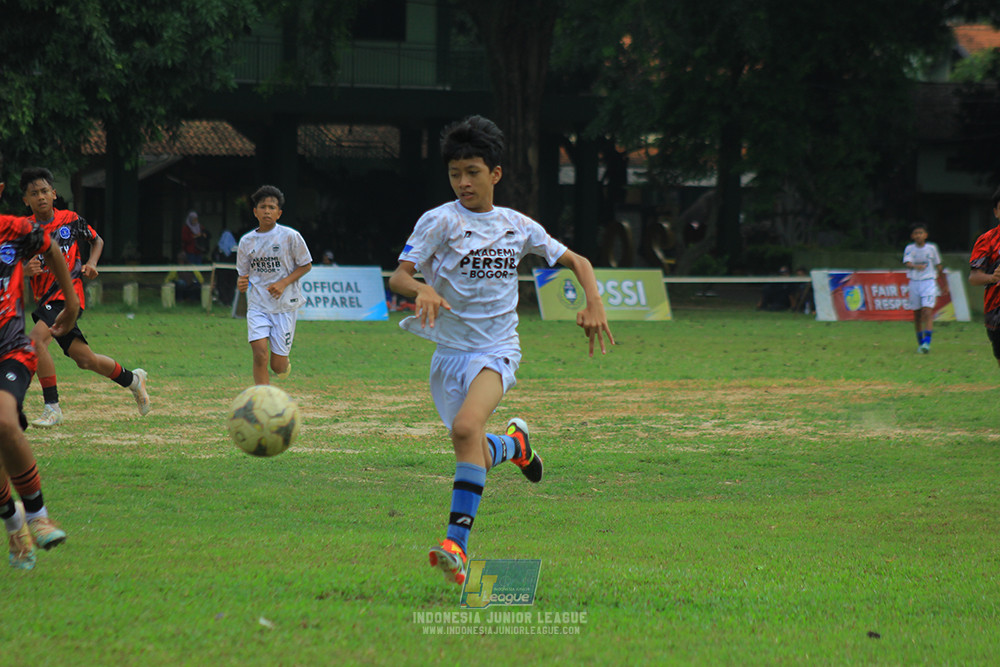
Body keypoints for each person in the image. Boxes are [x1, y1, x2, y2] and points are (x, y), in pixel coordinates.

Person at [388, 115, 614, 586]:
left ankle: (457, 545)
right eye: (455, 173)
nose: (463, 182)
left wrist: (594, 301)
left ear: (495, 173)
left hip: (497, 349)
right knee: (472, 445)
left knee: (466, 428)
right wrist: (420, 290)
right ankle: (515, 445)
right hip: (449, 352)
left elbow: (578, 260)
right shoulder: (439, 221)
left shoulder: (516, 225)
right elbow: (400, 275)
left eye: (472, 171)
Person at [19, 167, 151, 428]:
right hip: (44, 299)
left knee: (34, 342)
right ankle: (133, 380)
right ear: (26, 200)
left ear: (54, 194)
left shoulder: (71, 220)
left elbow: (97, 240)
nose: (41, 197)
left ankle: (52, 407)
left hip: (68, 297)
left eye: (45, 191)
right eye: (34, 193)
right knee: (85, 359)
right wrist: (24, 271)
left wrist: (91, 263)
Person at [0, 151, 80, 569]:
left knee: (3, 422)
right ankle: (15, 525)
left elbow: (52, 251)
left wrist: (69, 301)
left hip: (10, 347)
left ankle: (38, 517)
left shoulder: (13, 230)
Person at [236, 185, 313, 385]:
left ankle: (283, 365)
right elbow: (243, 274)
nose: (267, 211)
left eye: (271, 207)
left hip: (284, 306)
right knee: (259, 353)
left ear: (279, 213)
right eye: (263, 207)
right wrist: (241, 283)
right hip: (258, 305)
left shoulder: (290, 236)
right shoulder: (246, 241)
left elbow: (306, 265)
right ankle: (264, 402)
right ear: (255, 212)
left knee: (277, 366)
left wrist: (283, 283)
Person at [969, 186, 1000, 367]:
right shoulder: (987, 240)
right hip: (995, 310)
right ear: (996, 212)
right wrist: (992, 278)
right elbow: (974, 278)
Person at [903, 223, 945, 354]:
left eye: (921, 233)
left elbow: (938, 266)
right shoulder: (910, 248)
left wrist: (944, 283)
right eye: (916, 233)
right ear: (912, 236)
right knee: (917, 314)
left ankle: (927, 342)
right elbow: (907, 262)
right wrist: (916, 267)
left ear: (926, 235)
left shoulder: (932, 248)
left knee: (927, 311)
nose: (918, 235)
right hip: (915, 282)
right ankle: (920, 342)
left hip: (929, 282)